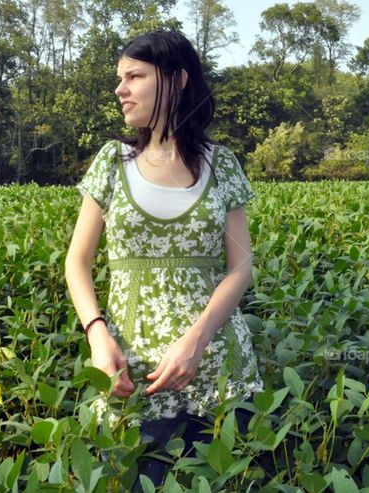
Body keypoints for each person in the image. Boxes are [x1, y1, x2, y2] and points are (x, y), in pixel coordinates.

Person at [64, 28, 264, 490]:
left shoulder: (222, 165)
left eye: (134, 76)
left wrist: (195, 342)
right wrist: (97, 335)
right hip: (133, 374)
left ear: (177, 79)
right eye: (120, 78)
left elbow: (240, 268)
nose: (120, 89)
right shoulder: (112, 162)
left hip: (219, 369)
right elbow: (77, 262)